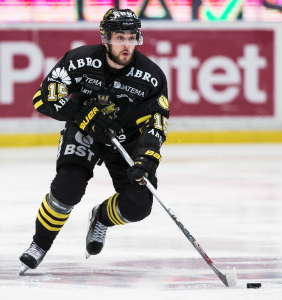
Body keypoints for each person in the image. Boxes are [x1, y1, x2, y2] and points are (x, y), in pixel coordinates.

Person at [19, 8, 170, 275]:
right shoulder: (79, 61)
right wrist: (80, 113)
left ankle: (100, 217)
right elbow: (43, 99)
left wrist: (147, 156)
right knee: (68, 188)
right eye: (119, 37)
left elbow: (157, 122)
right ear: (105, 38)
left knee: (138, 205)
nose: (126, 44)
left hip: (125, 139)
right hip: (84, 132)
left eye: (131, 37)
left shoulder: (152, 77)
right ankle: (39, 245)